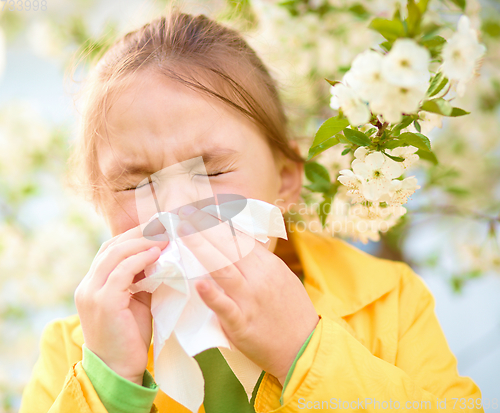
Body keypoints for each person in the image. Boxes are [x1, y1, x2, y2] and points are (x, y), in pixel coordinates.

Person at [19, 5, 484, 413]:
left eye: (212, 171)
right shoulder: (76, 350)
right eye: (136, 183)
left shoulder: (389, 301)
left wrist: (302, 350)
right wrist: (111, 386)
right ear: (99, 203)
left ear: (285, 179)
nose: (178, 206)